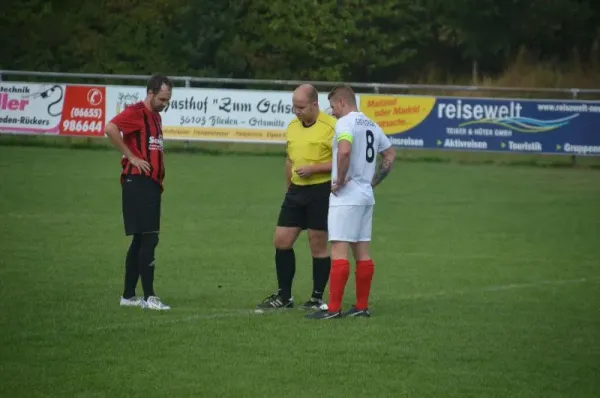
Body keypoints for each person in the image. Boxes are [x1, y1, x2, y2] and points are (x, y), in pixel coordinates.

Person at [306, 84, 396, 320]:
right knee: (362, 251)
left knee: (339, 250)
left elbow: (344, 151)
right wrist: (373, 182)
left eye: (333, 106)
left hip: (347, 197)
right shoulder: (372, 125)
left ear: (343, 103)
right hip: (366, 195)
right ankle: (361, 307)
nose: (332, 112)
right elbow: (390, 155)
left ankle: (333, 309)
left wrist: (340, 180)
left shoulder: (345, 123)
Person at [255, 84, 337, 312]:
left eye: (301, 107)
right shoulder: (292, 126)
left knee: (317, 245)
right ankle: (284, 296)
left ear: (314, 105)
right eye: (294, 106)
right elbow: (289, 160)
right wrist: (288, 187)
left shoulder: (332, 126)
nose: (296, 111)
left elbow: (343, 162)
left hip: (320, 191)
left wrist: (315, 168)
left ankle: (317, 298)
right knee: (281, 241)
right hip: (295, 192)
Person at [104, 73, 173, 311]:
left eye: (168, 100)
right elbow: (110, 128)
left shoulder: (155, 117)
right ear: (151, 93)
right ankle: (149, 297)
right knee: (150, 238)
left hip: (150, 183)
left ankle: (128, 296)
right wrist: (131, 156)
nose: (165, 104)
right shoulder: (136, 112)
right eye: (162, 99)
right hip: (139, 182)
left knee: (140, 240)